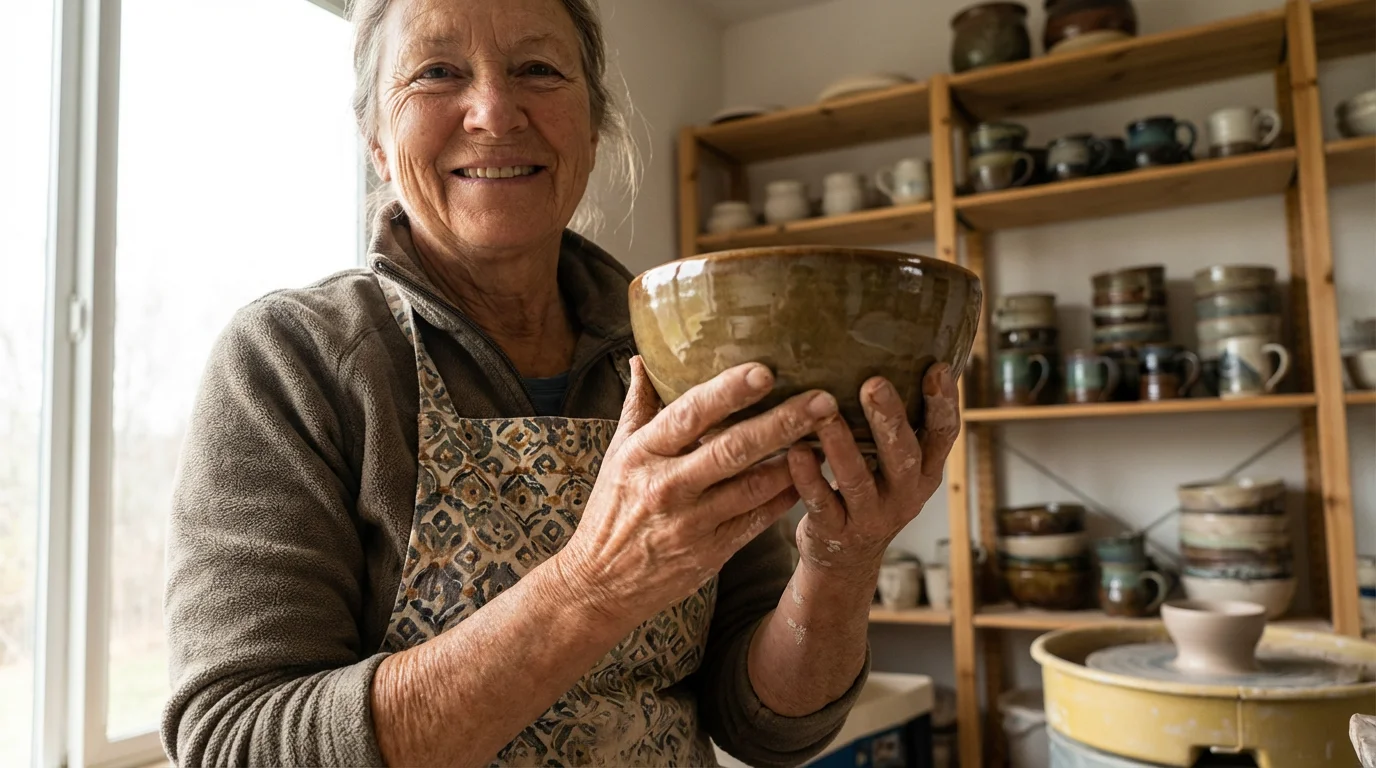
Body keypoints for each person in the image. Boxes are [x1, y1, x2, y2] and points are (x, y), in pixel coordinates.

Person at [159, 0, 962, 765]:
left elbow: (762, 728)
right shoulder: (291, 362)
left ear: (594, 122)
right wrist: (596, 584)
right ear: (375, 136)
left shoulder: (684, 350)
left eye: (538, 70)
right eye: (436, 72)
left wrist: (840, 562)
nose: (495, 112)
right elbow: (237, 743)